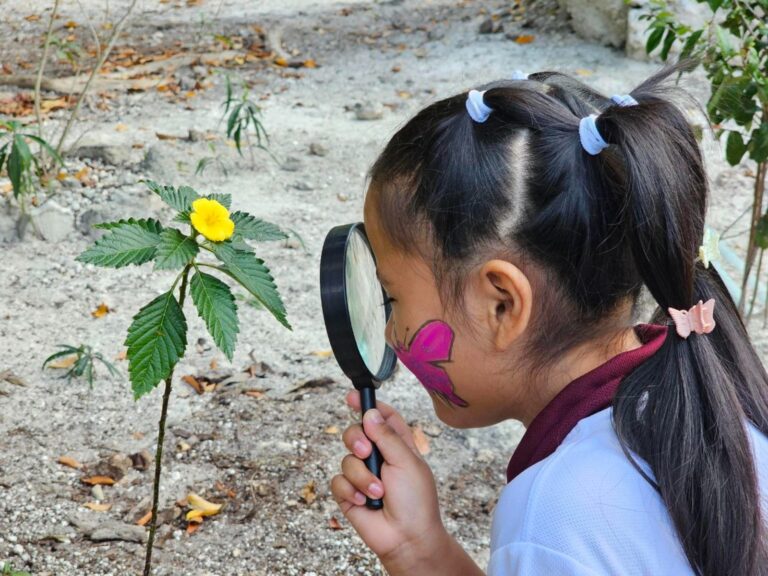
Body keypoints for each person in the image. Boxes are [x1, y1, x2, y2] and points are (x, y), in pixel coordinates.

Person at [329, 64, 768, 576]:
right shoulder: (713, 400)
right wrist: (419, 549)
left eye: (393, 297)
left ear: (502, 305)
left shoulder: (552, 517)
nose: (388, 333)